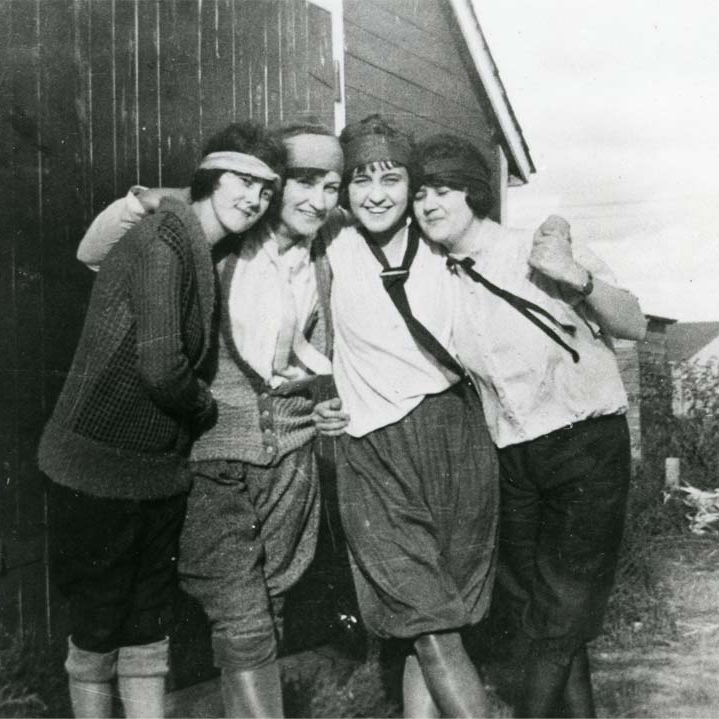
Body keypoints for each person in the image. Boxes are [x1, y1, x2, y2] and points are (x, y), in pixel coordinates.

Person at [75, 124, 349, 718]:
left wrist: (327, 395)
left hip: (293, 459)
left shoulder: (330, 247)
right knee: (242, 615)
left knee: (269, 607)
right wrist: (163, 196)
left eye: (333, 186)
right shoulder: (214, 241)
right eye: (302, 182)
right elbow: (94, 251)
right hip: (214, 459)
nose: (319, 200)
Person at [38, 121, 285, 719]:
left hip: (153, 472)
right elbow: (162, 368)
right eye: (242, 181)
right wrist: (208, 408)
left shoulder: (197, 242)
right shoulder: (162, 242)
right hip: (95, 467)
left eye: (265, 190)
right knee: (99, 624)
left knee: (147, 622)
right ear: (208, 179)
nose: (254, 199)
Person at [411, 133, 648, 718]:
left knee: (560, 613)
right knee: (540, 612)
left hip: (584, 445)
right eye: (419, 195)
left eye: (442, 191)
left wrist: (576, 277)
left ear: (474, 194)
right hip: (513, 456)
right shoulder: (438, 278)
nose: (428, 205)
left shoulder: (535, 248)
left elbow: (635, 322)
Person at [326, 115, 498, 718]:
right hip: (373, 449)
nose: (377, 194)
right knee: (428, 622)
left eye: (392, 178)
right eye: (361, 179)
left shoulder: (440, 240)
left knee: (433, 622)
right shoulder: (328, 243)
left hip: (458, 444)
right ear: (342, 188)